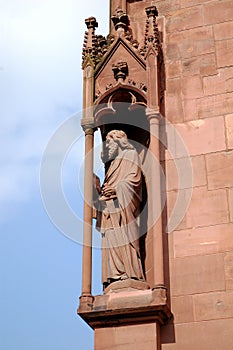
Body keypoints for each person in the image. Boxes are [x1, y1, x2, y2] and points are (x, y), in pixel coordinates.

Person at [95, 130, 145, 288]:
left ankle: (130, 274)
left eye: (109, 142)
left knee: (124, 239)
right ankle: (115, 276)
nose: (108, 145)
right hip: (110, 211)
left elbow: (134, 181)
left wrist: (116, 190)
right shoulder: (113, 164)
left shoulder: (130, 155)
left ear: (118, 141)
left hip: (123, 211)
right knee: (111, 241)